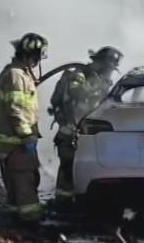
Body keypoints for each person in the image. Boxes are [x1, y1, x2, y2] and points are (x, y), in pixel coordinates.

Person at [50, 46, 123, 205]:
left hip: (85, 133)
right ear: (101, 63)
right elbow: (76, 93)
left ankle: (79, 201)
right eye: (109, 68)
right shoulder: (78, 75)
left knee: (82, 170)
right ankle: (63, 204)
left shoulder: (101, 80)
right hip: (69, 131)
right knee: (68, 169)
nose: (110, 72)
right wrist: (98, 83)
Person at [0, 32, 48, 222]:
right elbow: (15, 110)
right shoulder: (16, 76)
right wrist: (26, 136)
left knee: (20, 180)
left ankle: (17, 219)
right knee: (25, 180)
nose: (37, 62)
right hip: (16, 142)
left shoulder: (20, 74)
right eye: (37, 57)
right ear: (29, 55)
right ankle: (31, 220)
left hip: (16, 141)